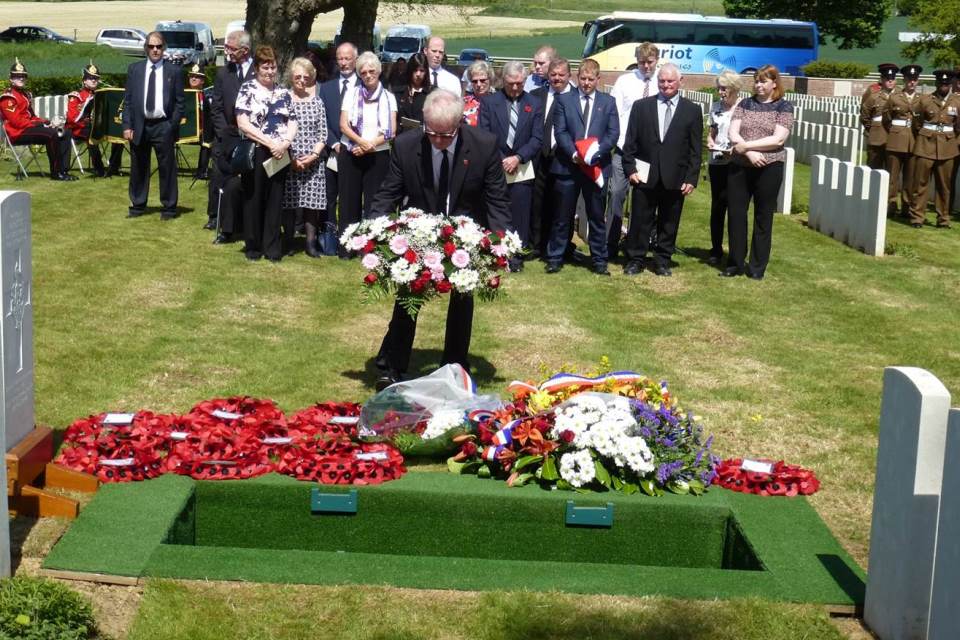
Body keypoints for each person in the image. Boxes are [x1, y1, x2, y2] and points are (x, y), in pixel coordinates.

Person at [369, 89, 511, 389]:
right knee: (408, 295)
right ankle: (392, 363)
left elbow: (497, 200)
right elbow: (389, 192)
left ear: (459, 124)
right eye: (431, 132)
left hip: (466, 232)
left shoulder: (484, 146)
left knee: (463, 297)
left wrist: (500, 244)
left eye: (445, 135)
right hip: (420, 228)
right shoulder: (407, 145)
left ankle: (455, 366)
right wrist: (373, 232)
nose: (437, 140)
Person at [621, 62, 702, 277]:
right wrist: (630, 168)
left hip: (675, 176)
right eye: (662, 81)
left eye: (670, 81)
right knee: (639, 219)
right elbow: (630, 142)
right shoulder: (641, 106)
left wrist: (691, 178)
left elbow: (695, 148)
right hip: (644, 174)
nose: (665, 85)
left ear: (680, 82)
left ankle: (662, 259)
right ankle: (635, 259)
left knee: (669, 220)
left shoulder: (692, 111)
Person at [546, 58, 619, 276]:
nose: (586, 83)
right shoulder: (564, 100)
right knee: (562, 215)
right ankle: (555, 257)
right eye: (583, 78)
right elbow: (560, 131)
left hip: (596, 167)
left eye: (590, 79)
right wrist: (575, 154)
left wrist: (595, 153)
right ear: (577, 77)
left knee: (596, 216)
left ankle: (599, 260)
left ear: (598, 79)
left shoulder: (608, 102)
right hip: (569, 166)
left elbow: (612, 134)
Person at [723, 64, 794, 280]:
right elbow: (733, 131)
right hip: (740, 165)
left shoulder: (784, 107)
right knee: (736, 214)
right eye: (756, 80)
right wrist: (749, 152)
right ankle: (735, 262)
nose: (758, 84)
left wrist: (748, 147)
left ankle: (756, 267)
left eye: (763, 81)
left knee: (763, 217)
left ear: (774, 83)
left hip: (769, 167)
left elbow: (778, 139)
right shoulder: (745, 103)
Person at [479, 60, 543, 271]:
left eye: (519, 83)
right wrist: (501, 159)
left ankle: (516, 257)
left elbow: (537, 138)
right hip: (496, 166)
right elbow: (484, 135)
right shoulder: (489, 103)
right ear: (502, 80)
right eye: (511, 83)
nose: (515, 87)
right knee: (496, 212)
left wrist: (518, 157)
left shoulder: (533, 104)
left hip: (522, 169)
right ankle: (494, 254)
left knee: (520, 214)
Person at [236, 45, 297, 261]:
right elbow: (243, 123)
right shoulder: (248, 89)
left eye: (273, 67)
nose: (270, 72)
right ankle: (253, 246)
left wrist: (285, 142)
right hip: (258, 150)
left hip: (280, 153)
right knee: (254, 198)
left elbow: (292, 121)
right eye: (266, 67)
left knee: (275, 200)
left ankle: (272, 247)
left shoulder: (283, 92)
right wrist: (269, 142)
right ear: (256, 68)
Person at [122, 32, 184, 219]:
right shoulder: (135, 69)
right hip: (140, 124)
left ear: (163, 48)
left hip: (163, 125)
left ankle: (169, 207)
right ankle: (138, 205)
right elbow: (128, 101)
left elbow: (180, 103)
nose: (155, 50)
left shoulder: (174, 71)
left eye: (158, 46)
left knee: (167, 168)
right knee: (139, 167)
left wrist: (171, 125)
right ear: (146, 48)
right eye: (151, 46)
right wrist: (127, 126)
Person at [607, 42, 659, 260]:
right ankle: (610, 242)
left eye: (650, 62)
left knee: (647, 199)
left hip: (650, 151)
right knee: (617, 193)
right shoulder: (625, 81)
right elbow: (615, 113)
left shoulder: (662, 81)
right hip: (623, 148)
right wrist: (620, 143)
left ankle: (644, 241)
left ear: (657, 60)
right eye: (641, 62)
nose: (646, 66)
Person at [338, 52, 397, 234]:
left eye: (372, 71)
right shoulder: (351, 94)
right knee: (349, 201)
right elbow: (343, 124)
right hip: (351, 151)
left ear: (378, 71)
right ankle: (347, 246)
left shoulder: (389, 97)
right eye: (363, 73)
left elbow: (391, 131)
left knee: (374, 201)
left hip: (377, 155)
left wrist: (368, 147)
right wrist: (362, 143)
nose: (368, 75)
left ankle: (371, 246)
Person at [207, 29, 254, 242]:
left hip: (254, 138)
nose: (227, 52)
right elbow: (215, 108)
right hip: (227, 136)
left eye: (231, 48)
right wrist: (225, 133)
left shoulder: (259, 71)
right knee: (221, 178)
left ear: (245, 50)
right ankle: (221, 224)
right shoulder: (223, 73)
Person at [1, 58, 76, 181]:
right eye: (17, 76)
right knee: (52, 134)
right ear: (11, 79)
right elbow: (17, 123)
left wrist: (47, 122)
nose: (21, 78)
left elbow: (32, 116)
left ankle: (64, 170)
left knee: (65, 131)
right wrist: (41, 125)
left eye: (23, 76)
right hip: (17, 133)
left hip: (29, 128)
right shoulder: (7, 97)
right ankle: (56, 173)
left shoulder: (26, 95)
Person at [318, 42, 359, 257]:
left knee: (351, 199)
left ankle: (351, 241)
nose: (343, 62)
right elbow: (321, 122)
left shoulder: (363, 85)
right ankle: (330, 240)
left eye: (347, 58)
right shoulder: (326, 88)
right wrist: (334, 143)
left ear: (355, 59)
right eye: (340, 58)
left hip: (357, 153)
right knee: (329, 197)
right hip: (332, 152)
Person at [283, 57, 327, 258]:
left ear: (311, 78)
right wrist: (291, 159)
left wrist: (313, 156)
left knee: (312, 204)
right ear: (291, 77)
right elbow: (278, 131)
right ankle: (289, 241)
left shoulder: (317, 102)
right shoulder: (283, 99)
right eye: (297, 76)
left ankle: (310, 243)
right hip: (289, 159)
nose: (301, 80)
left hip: (313, 161)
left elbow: (322, 133)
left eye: (305, 77)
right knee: (289, 203)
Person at [529, 58, 574, 258]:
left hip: (565, 160)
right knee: (537, 204)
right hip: (539, 158)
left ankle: (561, 248)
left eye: (561, 75)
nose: (557, 78)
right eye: (553, 74)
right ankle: (536, 246)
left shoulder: (576, 98)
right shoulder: (535, 96)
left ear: (569, 76)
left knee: (562, 207)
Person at [909, 69, 960, 229]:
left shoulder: (957, 102)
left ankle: (943, 218)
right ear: (936, 83)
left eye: (946, 83)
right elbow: (916, 125)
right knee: (921, 184)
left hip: (948, 148)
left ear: (951, 84)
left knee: (944, 186)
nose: (943, 86)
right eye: (941, 83)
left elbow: (958, 127)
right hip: (925, 146)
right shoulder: (925, 100)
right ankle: (917, 217)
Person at [705, 70, 742, 266]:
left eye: (724, 88)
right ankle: (716, 249)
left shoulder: (744, 108)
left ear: (734, 88)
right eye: (719, 87)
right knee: (717, 206)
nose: (720, 91)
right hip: (717, 161)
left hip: (736, 162)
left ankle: (736, 252)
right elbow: (712, 132)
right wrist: (710, 141)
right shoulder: (716, 107)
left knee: (735, 207)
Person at [65, 62, 123, 178]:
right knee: (91, 134)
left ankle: (114, 166)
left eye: (96, 78)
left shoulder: (102, 95)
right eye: (90, 78)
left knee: (118, 132)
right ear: (84, 80)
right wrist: (89, 120)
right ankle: (99, 168)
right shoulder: (76, 96)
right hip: (79, 129)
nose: (93, 80)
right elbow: (72, 119)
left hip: (99, 127)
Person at [883, 64, 922, 219]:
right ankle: (891, 205)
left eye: (915, 79)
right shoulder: (894, 98)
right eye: (909, 79)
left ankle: (907, 207)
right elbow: (887, 119)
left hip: (913, 142)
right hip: (896, 140)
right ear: (904, 79)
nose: (912, 82)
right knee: (892, 177)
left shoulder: (923, 99)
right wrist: (894, 132)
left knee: (910, 178)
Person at [860, 63, 898, 170]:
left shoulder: (900, 93)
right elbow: (864, 114)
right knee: (874, 168)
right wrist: (872, 129)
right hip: (876, 137)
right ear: (882, 78)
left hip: (895, 137)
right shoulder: (873, 92)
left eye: (892, 78)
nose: (890, 81)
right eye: (887, 78)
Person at [187, 64, 213, 180]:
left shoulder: (206, 96)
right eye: (191, 76)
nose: (193, 78)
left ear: (202, 80)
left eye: (196, 77)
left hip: (202, 131)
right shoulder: (183, 95)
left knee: (207, 139)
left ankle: (202, 170)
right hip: (184, 130)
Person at [396, 53, 433, 132]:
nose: (418, 74)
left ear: (426, 72)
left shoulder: (432, 94)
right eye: (415, 70)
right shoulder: (398, 92)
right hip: (402, 138)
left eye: (421, 70)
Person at [462, 60, 493, 127]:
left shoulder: (499, 102)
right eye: (475, 81)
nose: (478, 84)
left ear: (490, 80)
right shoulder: (462, 104)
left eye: (482, 80)